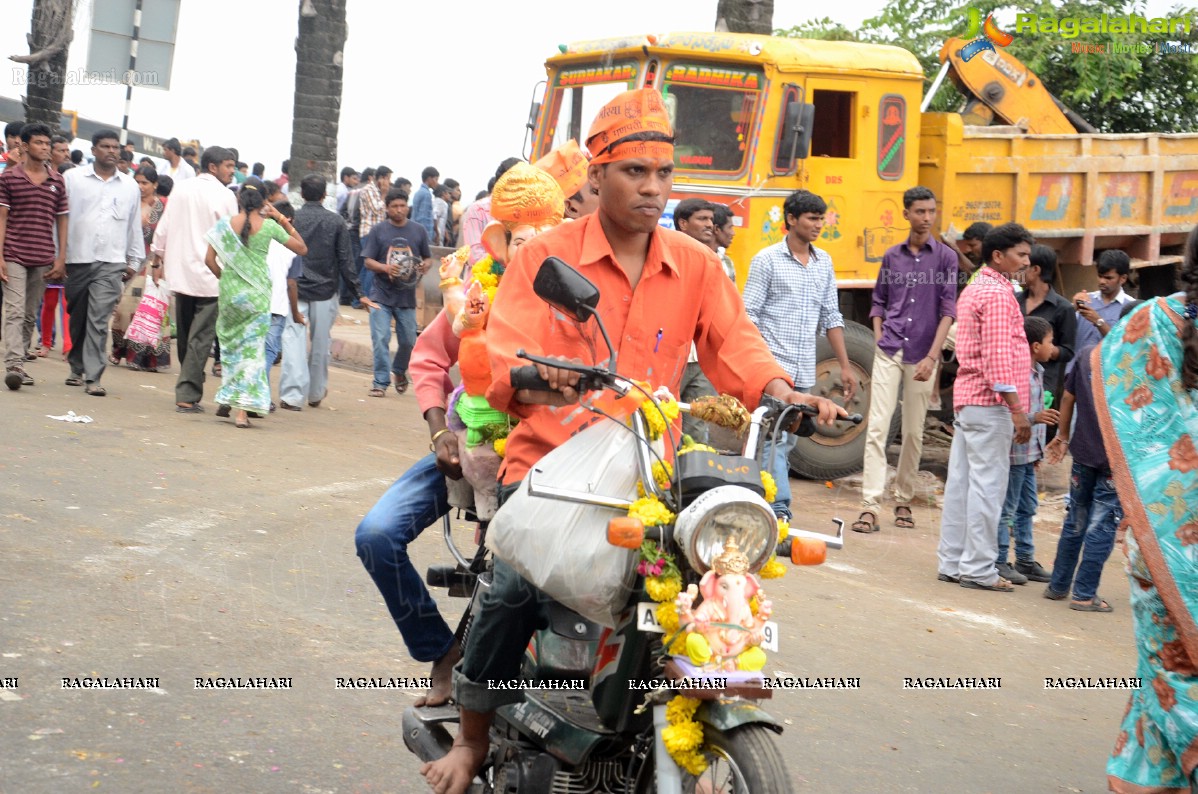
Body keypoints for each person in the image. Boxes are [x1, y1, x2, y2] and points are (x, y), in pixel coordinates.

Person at [420, 86, 844, 794]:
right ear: (596, 175)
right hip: (553, 468)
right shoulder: (545, 258)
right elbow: (501, 358)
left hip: (648, 473)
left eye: (662, 174)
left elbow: (736, 349)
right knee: (512, 588)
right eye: (633, 173)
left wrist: (782, 393)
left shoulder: (697, 264)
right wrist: (537, 375)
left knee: (709, 586)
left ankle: (671, 724)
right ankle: (471, 738)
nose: (652, 189)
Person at [355, 161, 575, 713]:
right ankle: (444, 651)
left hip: (563, 461)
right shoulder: (475, 289)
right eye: (516, 232)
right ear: (500, 237)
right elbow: (429, 358)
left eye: (539, 231)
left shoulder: (579, 294)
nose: (527, 243)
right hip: (471, 447)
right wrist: (439, 434)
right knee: (377, 535)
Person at [1098, 230, 1198, 792]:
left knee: (1165, 671)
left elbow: (1113, 393)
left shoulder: (1150, 323)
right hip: (1168, 545)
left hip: (1156, 540)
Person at [743, 189, 856, 519]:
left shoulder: (824, 263)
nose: (818, 224)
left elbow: (831, 316)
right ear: (791, 220)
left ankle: (757, 496)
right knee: (772, 438)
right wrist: (759, 362)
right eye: (812, 218)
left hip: (804, 368)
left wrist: (845, 367)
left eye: (821, 218)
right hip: (772, 368)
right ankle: (778, 508)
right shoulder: (766, 260)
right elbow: (749, 315)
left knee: (787, 439)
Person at [935, 223, 1035, 592]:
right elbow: (997, 356)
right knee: (987, 487)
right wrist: (1016, 408)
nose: (1026, 261)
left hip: (969, 400)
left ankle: (952, 561)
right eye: (1021, 254)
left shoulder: (978, 287)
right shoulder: (996, 293)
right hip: (990, 403)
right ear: (999, 256)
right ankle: (978, 569)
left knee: (962, 484)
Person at [856, 186, 957, 533]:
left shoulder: (946, 258)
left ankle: (902, 498)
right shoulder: (892, 256)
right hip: (890, 348)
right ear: (906, 214)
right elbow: (879, 301)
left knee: (914, 432)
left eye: (931, 211)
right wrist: (879, 335)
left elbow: (948, 310)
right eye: (920, 212)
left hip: (923, 353)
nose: (926, 218)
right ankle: (870, 504)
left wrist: (933, 357)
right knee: (877, 428)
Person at [1043, 301, 1136, 610]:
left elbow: (1067, 398)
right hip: (1115, 458)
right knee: (1103, 524)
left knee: (1077, 519)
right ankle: (1084, 594)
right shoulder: (1138, 365)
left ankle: (1058, 586)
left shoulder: (1087, 355)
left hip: (1083, 452)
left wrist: (1063, 436)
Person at [202, 179, 307, 427]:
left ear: (238, 200)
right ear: (263, 202)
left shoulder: (223, 226)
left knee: (231, 350)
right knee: (252, 353)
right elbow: (302, 248)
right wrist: (280, 217)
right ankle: (241, 413)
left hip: (231, 296)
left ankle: (227, 398)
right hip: (258, 296)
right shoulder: (269, 227)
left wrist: (227, 280)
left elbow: (209, 260)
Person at [151, 146, 239, 412]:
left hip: (181, 272)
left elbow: (163, 228)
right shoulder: (225, 196)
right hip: (212, 275)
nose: (232, 171)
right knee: (200, 337)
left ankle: (190, 382)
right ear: (213, 167)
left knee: (189, 333)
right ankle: (187, 392)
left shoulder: (181, 189)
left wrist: (158, 259)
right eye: (228, 166)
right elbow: (231, 237)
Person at [278, 174, 370, 411]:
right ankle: (315, 392)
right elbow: (345, 260)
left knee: (293, 340)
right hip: (325, 290)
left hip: (294, 287)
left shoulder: (292, 220)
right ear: (323, 196)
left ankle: (291, 395)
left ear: (301, 195)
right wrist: (358, 292)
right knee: (320, 344)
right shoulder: (335, 222)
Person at [61, 129, 143, 396]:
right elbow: (59, 220)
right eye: (105, 146)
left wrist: (134, 259)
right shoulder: (73, 179)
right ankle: (76, 366)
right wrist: (57, 255)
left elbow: (134, 226)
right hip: (77, 258)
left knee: (98, 320)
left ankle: (93, 377)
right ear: (93, 150)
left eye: (115, 147)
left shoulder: (129, 186)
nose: (111, 151)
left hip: (111, 261)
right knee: (79, 315)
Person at [0, 122, 67, 388]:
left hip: (42, 257)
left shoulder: (57, 182)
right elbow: (2, 218)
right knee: (15, 311)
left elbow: (62, 220)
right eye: (39, 143)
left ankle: (21, 364)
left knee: (29, 314)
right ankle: (13, 363)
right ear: (24, 146)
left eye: (47, 144)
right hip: (14, 254)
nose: (45, 148)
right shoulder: (8, 178)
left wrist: (61, 258)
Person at [994, 315, 1058, 585]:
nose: (1053, 348)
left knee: (1028, 506)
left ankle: (1025, 559)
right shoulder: (1018, 375)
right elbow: (1012, 413)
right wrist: (1035, 417)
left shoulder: (1037, 372)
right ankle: (999, 561)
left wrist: (1038, 452)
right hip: (1016, 453)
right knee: (1008, 508)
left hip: (1029, 454)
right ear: (1034, 346)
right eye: (1049, 342)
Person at [362, 189, 430, 398]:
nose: (399, 210)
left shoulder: (418, 231)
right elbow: (367, 260)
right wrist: (385, 268)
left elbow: (428, 258)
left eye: (402, 206)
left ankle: (399, 371)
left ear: (407, 207)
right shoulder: (378, 231)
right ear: (387, 208)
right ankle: (380, 382)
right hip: (380, 294)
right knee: (380, 337)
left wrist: (424, 266)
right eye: (394, 206)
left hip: (406, 296)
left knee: (409, 340)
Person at [110, 165, 171, 372]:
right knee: (124, 310)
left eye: (145, 182)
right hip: (127, 261)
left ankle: (145, 358)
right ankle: (120, 351)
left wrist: (160, 263)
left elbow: (167, 236)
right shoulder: (129, 202)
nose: (140, 186)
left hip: (153, 262)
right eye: (137, 181)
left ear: (155, 185)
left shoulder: (163, 207)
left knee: (147, 310)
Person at [672, 197, 720, 443]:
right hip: (672, 358)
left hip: (700, 360)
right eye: (702, 219)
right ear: (683, 223)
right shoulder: (669, 258)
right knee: (665, 425)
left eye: (711, 219)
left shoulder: (715, 263)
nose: (709, 224)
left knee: (698, 430)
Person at [1017, 244, 1076, 421]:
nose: (1019, 271)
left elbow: (1068, 351)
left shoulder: (1063, 308)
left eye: (1024, 267)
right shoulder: (1014, 300)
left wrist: (1044, 349)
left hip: (1043, 382)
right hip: (1014, 379)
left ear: (1036, 270)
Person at [264, 199, 303, 402]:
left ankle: (244, 396)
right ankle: (260, 398)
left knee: (251, 352)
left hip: (256, 302)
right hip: (277, 306)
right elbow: (291, 284)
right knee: (268, 353)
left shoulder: (259, 237)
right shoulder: (291, 246)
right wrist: (296, 313)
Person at [1071, 248, 1135, 364]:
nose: (1102, 281)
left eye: (1108, 278)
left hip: (1109, 377)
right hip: (1077, 373)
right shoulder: (1085, 300)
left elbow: (1126, 347)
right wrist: (1071, 309)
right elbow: (1062, 334)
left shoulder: (1131, 307)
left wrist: (1099, 322)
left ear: (1123, 278)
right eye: (1100, 276)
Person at [459, 157, 520, 264]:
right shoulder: (478, 210)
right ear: (500, 183)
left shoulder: (525, 212)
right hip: (481, 278)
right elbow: (475, 256)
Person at [411, 166, 439, 240]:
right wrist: (427, 237)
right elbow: (424, 218)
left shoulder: (418, 192)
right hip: (422, 235)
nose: (437, 182)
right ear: (429, 179)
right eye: (436, 179)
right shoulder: (426, 194)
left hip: (414, 232)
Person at [712, 203, 737, 282]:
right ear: (716, 229)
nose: (733, 233)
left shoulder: (727, 262)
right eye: (730, 227)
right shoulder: (697, 259)